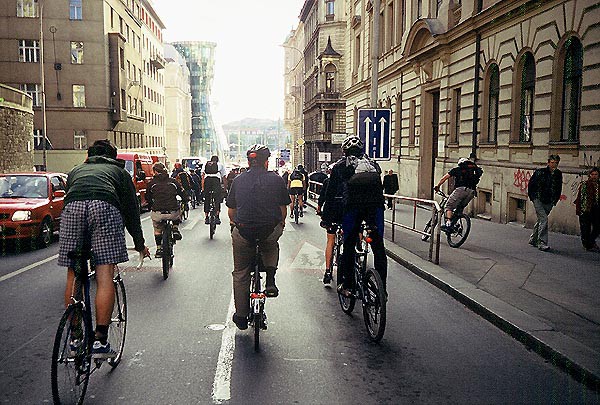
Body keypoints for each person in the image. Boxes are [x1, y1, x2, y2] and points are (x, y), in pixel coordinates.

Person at [59, 140, 149, 359]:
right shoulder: (119, 174)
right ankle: (100, 341)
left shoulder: (75, 171)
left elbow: (70, 195)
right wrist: (139, 244)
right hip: (104, 207)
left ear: (88, 156)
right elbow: (131, 212)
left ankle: (75, 337)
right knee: (104, 273)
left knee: (74, 271)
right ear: (113, 157)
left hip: (72, 209)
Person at [226, 144, 290, 330]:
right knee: (271, 244)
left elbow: (231, 211)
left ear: (248, 162)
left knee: (240, 273)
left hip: (244, 231)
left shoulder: (238, 181)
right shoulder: (277, 180)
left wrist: (234, 225)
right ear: (266, 162)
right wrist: (281, 223)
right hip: (268, 230)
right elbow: (283, 210)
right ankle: (270, 280)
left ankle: (241, 316)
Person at [332, 135, 387, 296]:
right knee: (378, 247)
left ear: (344, 151)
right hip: (375, 208)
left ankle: (348, 285)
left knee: (348, 244)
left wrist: (328, 217)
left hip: (353, 208)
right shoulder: (374, 165)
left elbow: (331, 193)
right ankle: (382, 289)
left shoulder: (340, 166)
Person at [146, 162, 187, 257]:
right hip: (172, 212)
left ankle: (159, 248)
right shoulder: (173, 182)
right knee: (177, 211)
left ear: (155, 172)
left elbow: (148, 197)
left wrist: (151, 206)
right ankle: (175, 228)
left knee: (157, 229)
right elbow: (182, 192)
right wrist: (185, 199)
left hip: (158, 212)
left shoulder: (151, 184)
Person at [434, 158, 483, 232]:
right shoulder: (473, 171)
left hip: (461, 190)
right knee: (459, 208)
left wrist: (437, 186)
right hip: (472, 192)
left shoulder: (457, 169)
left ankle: (448, 224)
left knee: (449, 206)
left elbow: (444, 178)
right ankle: (455, 224)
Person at [527, 154, 563, 251]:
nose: (554, 165)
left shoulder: (558, 174)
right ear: (548, 163)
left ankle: (533, 239)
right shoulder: (540, 172)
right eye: (552, 163)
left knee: (541, 220)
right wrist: (533, 197)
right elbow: (531, 185)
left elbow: (559, 187)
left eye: (556, 163)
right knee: (544, 219)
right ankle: (541, 242)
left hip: (549, 200)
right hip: (538, 198)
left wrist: (555, 200)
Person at [316, 165, 343, 285]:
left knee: (330, 241)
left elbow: (323, 196)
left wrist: (319, 208)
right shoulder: (348, 180)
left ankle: (327, 271)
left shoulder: (328, 181)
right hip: (345, 213)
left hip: (331, 214)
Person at [574, 167, 600, 251]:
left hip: (597, 208)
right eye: (592, 174)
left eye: (596, 174)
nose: (594, 176)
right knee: (586, 227)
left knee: (597, 226)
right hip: (586, 208)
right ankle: (587, 243)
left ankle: (591, 241)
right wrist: (579, 209)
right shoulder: (585, 185)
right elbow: (579, 198)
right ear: (589, 175)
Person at [202, 155, 227, 225]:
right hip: (216, 181)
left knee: (207, 199)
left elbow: (203, 176)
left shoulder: (206, 165)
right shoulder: (220, 165)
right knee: (217, 199)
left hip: (207, 181)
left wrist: (203, 188)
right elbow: (224, 177)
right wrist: (225, 188)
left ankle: (206, 217)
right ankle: (217, 217)